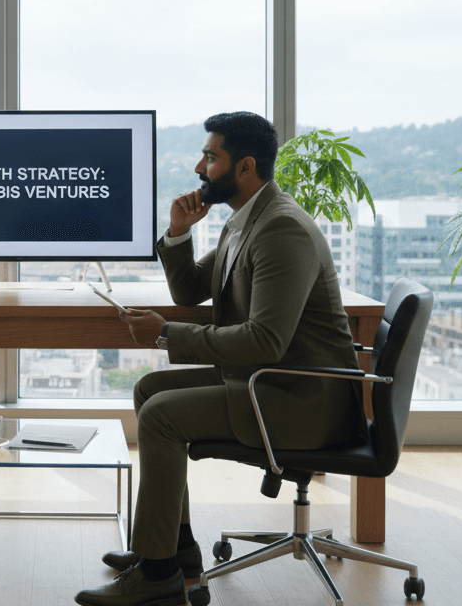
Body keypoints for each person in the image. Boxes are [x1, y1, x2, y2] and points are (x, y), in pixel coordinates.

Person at [74, 112, 363, 606]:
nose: (198, 167)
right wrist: (179, 231)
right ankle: (175, 546)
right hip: (272, 383)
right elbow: (190, 290)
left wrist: (166, 334)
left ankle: (158, 574)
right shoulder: (245, 220)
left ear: (245, 166)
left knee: (162, 417)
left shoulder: (281, 230)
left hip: (301, 399)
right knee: (150, 391)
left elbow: (265, 341)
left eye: (211, 157)